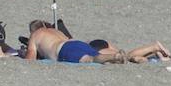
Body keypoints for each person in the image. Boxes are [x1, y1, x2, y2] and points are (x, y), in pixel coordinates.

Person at [22, 22, 154, 64]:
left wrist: (24, 54)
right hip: (76, 42)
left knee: (90, 59)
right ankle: (133, 58)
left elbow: (30, 59)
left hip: (64, 49)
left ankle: (115, 57)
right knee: (97, 56)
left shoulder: (36, 35)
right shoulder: (54, 31)